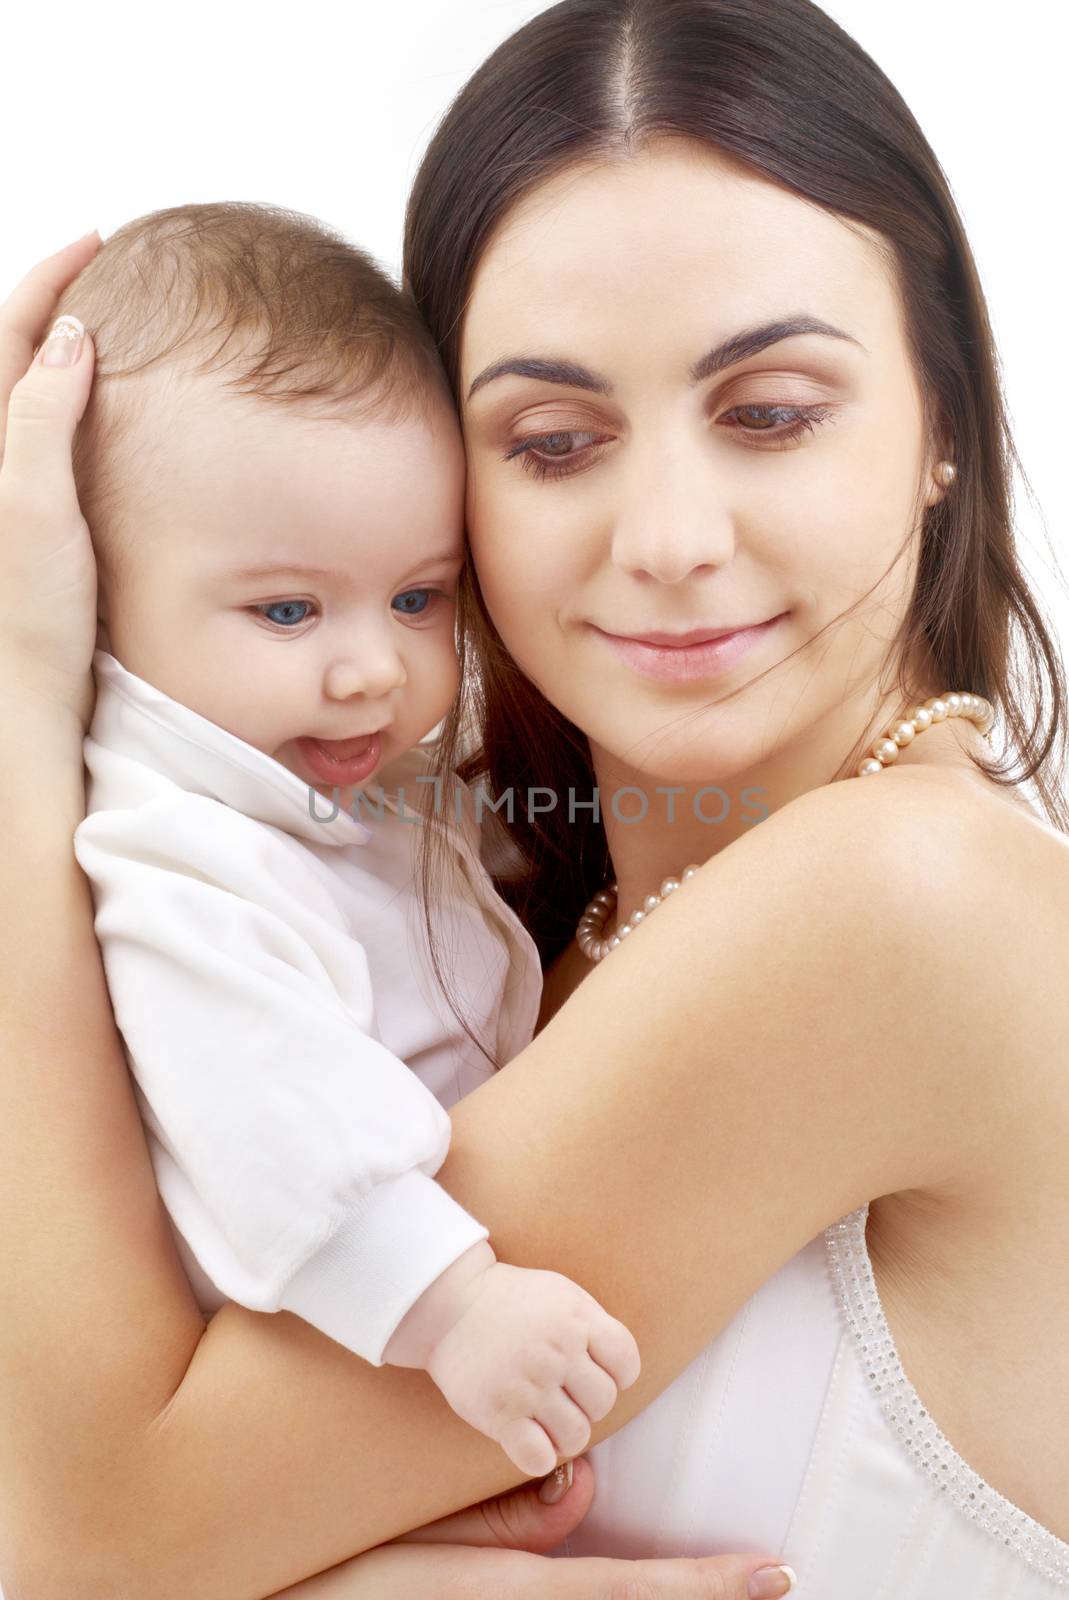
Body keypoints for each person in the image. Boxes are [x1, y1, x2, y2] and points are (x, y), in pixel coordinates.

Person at [1, 0, 1068, 1596]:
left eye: (770, 412)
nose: (667, 538)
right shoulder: (485, 899)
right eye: (554, 441)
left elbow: (89, 1545)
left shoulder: (908, 902)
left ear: (943, 427)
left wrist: (26, 692)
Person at [62, 199, 640, 1480]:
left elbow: (459, 877)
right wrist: (458, 1311)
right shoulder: (179, 857)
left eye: (418, 596)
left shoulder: (337, 777)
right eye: (286, 609)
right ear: (99, 590)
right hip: (356, 1337)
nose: (371, 668)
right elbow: (266, 1121)